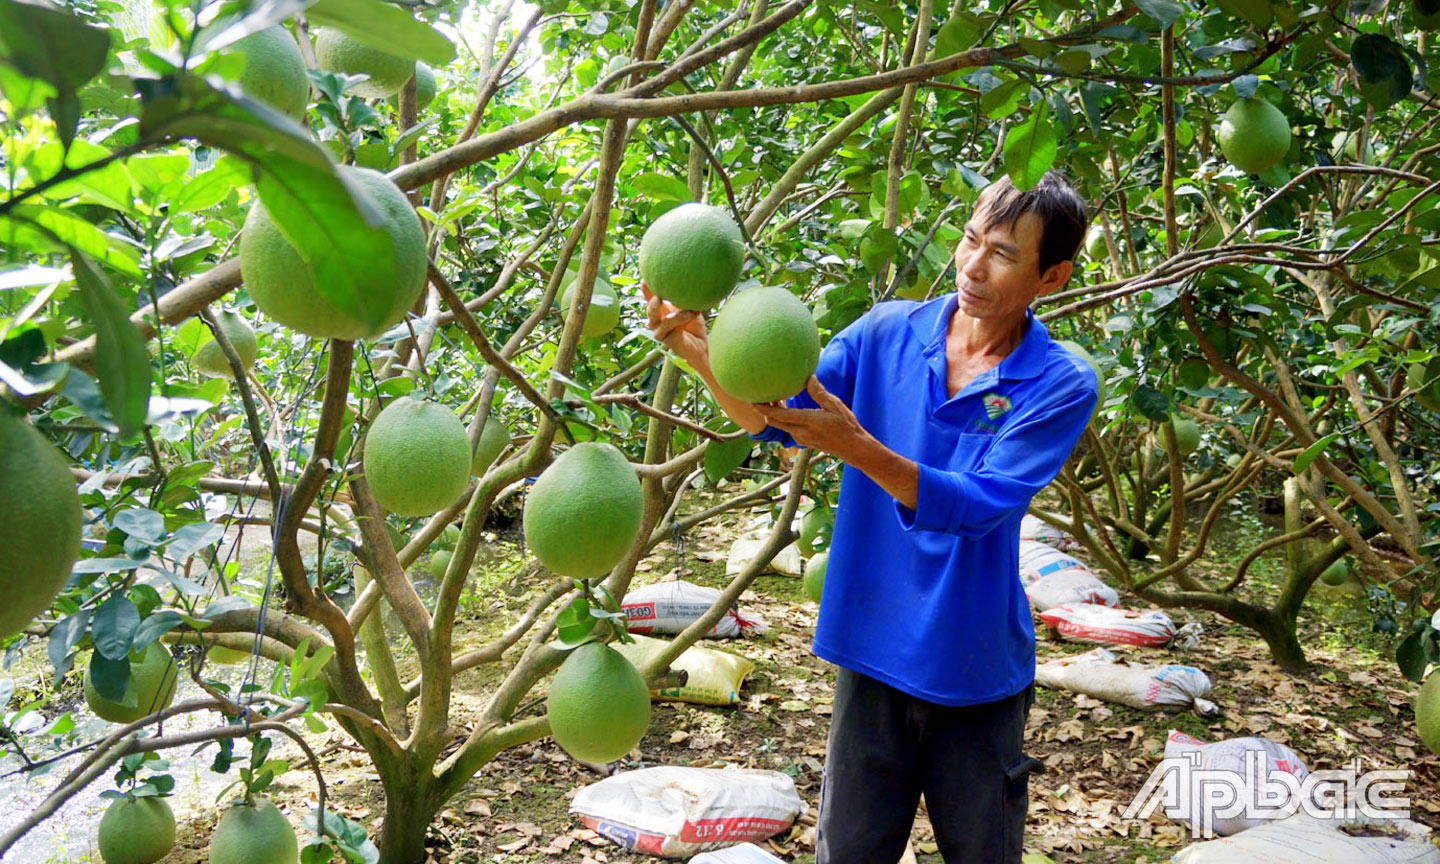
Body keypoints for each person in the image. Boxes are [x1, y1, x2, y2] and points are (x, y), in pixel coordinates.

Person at [646, 171, 1098, 864]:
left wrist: (860, 448)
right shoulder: (888, 332)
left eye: (1004, 253)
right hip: (872, 652)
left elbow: (981, 505)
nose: (973, 265)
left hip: (974, 671)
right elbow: (776, 417)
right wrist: (698, 351)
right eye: (971, 240)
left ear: (1053, 276)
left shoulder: (1059, 382)